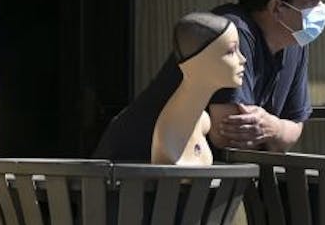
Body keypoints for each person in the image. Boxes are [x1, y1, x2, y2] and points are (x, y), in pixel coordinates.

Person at [207, 0, 325, 152]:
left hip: (235, 178)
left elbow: (294, 128)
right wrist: (276, 132)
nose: (320, 7)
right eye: (311, 1)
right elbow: (230, 137)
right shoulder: (231, 34)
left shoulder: (295, 41)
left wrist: (274, 128)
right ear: (276, 8)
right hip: (163, 172)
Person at [93, 12, 246, 164]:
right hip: (120, 177)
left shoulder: (203, 122)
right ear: (199, 60)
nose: (242, 59)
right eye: (231, 51)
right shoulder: (169, 139)